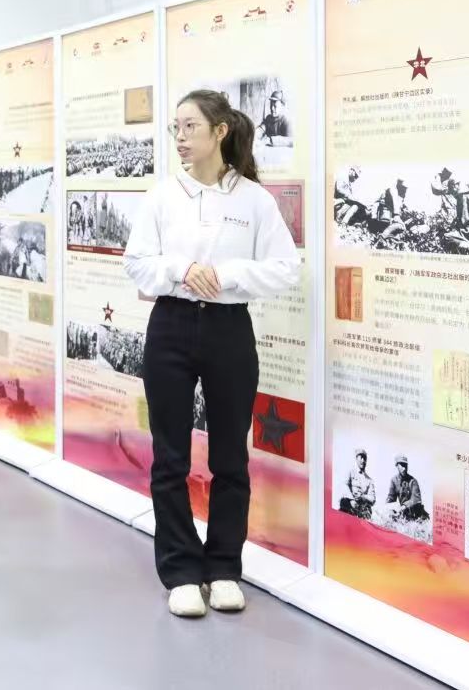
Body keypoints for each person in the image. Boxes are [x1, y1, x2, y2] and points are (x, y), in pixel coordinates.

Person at [125, 88, 300, 618]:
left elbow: (285, 268)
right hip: (171, 327)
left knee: (230, 458)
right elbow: (137, 263)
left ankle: (223, 567)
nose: (180, 138)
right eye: (175, 128)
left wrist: (227, 275)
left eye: (190, 127)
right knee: (170, 457)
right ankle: (180, 569)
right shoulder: (162, 196)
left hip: (229, 329)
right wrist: (181, 270)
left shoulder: (253, 199)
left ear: (219, 131)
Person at [387, 455, 428, 521]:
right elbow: (391, 498)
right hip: (405, 515)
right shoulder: (394, 480)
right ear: (397, 465)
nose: (404, 468)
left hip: (418, 516)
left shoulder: (413, 481)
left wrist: (403, 506)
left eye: (405, 465)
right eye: (402, 465)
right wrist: (390, 510)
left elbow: (416, 499)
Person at [339, 449, 376, 519]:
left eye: (364, 458)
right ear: (356, 459)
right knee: (343, 502)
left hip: (361, 508)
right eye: (361, 458)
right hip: (349, 504)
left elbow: (373, 499)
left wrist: (363, 497)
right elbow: (345, 485)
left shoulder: (369, 480)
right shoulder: (351, 472)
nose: (363, 460)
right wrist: (351, 500)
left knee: (367, 512)